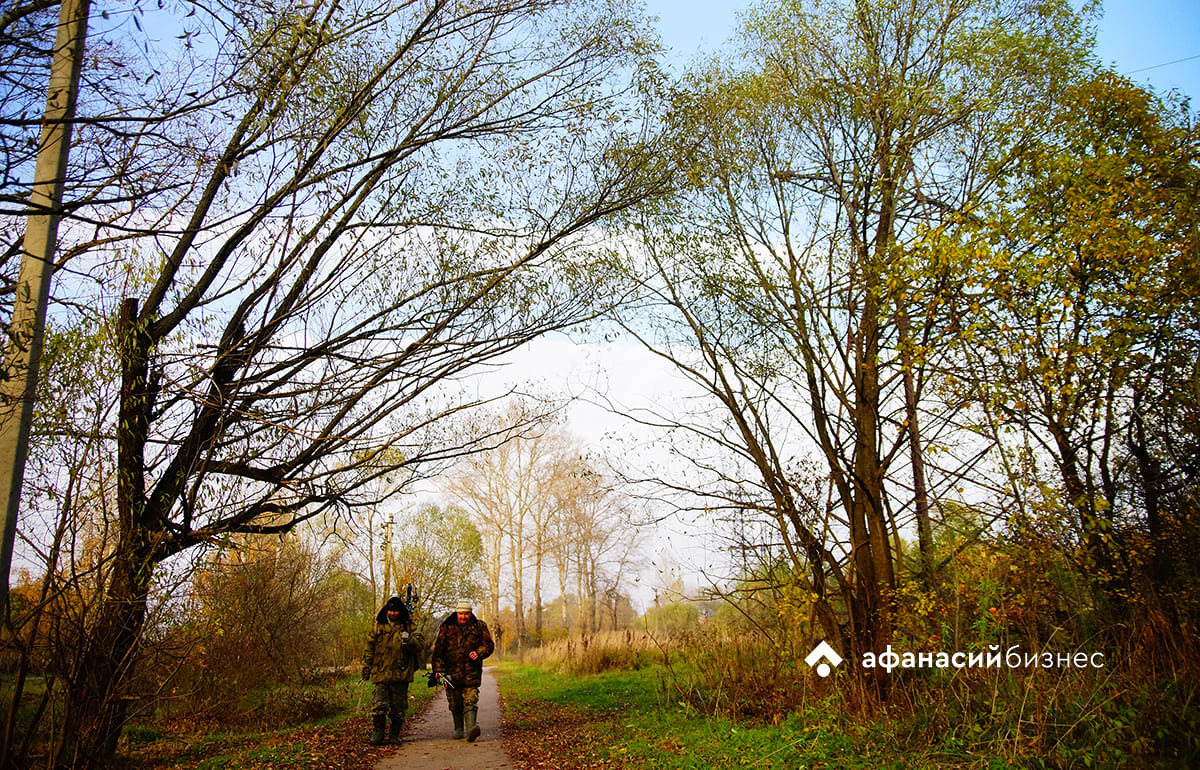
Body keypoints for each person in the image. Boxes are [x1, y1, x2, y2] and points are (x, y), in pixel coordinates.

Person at [361, 596, 425, 746]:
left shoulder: (409, 627)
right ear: (387, 611)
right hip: (381, 672)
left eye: (396, 611)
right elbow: (369, 648)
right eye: (391, 610)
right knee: (379, 705)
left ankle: (394, 735)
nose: (393, 613)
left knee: (398, 708)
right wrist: (366, 667)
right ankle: (378, 734)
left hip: (400, 673)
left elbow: (420, 644)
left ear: (400, 611)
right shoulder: (378, 627)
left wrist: (408, 640)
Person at [430, 599, 495, 742]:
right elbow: (438, 651)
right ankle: (458, 729)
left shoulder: (479, 626)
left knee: (471, 699)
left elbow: (489, 645)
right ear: (456, 613)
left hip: (471, 672)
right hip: (451, 673)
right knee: (454, 702)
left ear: (471, 613)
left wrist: (479, 652)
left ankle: (471, 728)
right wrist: (438, 670)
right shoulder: (447, 626)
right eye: (461, 614)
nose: (463, 617)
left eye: (466, 614)